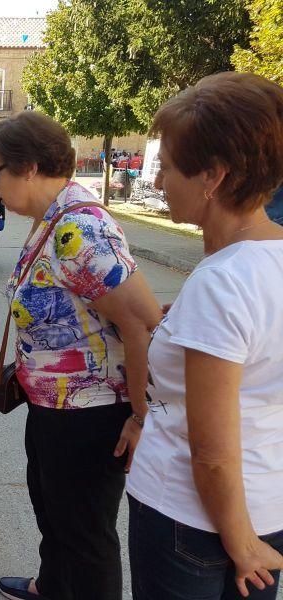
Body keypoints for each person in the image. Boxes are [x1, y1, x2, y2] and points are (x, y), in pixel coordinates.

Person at [0, 112, 161, 600]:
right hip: (56, 410)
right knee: (55, 514)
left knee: (85, 536)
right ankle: (52, 586)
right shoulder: (51, 220)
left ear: (29, 167)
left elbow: (141, 321)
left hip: (90, 416)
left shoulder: (77, 228)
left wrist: (142, 416)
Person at [126, 72, 283, 600]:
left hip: (195, 521)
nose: (158, 182)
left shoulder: (224, 281)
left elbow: (211, 449)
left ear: (212, 176)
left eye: (167, 168)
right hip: (264, 505)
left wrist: (240, 544)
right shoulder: (264, 260)